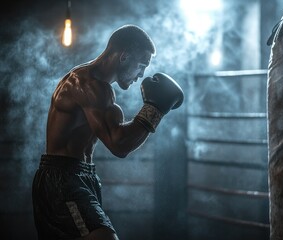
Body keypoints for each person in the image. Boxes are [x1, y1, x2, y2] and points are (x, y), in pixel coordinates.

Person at [32, 24, 184, 240]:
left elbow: (119, 138)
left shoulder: (102, 91)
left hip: (82, 176)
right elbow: (118, 144)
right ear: (123, 57)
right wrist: (155, 108)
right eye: (142, 65)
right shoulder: (87, 85)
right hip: (63, 180)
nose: (141, 75)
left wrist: (154, 110)